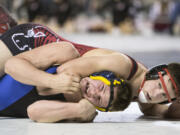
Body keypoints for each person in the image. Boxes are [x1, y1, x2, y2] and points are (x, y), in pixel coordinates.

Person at [0, 6, 180, 122]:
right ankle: (5, 27)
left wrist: (171, 110)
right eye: (158, 85)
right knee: (64, 58)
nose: (155, 93)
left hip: (43, 70)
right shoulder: (121, 65)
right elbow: (64, 73)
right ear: (154, 73)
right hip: (38, 43)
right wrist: (79, 109)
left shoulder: (146, 94)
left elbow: (156, 111)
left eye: (163, 95)